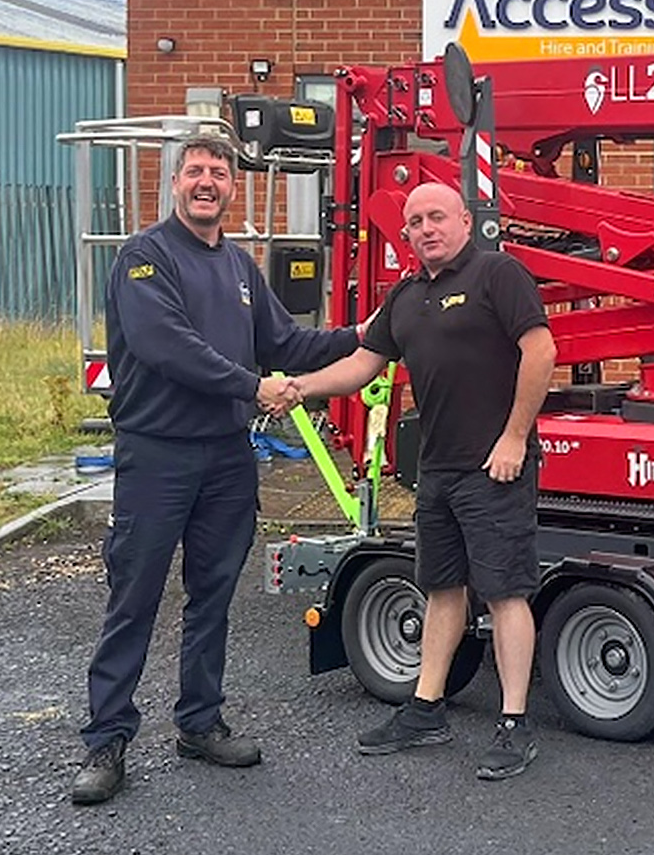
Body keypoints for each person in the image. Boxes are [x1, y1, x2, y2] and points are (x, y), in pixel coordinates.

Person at [71, 134, 362, 806]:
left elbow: (285, 341)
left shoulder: (238, 264)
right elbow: (167, 346)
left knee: (213, 596)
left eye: (219, 172)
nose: (208, 181)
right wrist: (252, 387)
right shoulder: (145, 259)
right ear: (174, 183)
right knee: (135, 597)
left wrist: (366, 332)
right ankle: (106, 738)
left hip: (228, 458)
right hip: (158, 455)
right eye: (196, 171)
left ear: (232, 186)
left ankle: (199, 723)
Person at [294, 180, 555, 781]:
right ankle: (426, 708)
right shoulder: (405, 297)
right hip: (436, 470)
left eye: (437, 216)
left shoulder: (498, 275)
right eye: (415, 222)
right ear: (406, 235)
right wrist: (300, 389)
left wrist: (514, 437)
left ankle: (515, 722)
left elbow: (541, 352)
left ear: (465, 220)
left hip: (494, 467)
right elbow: (363, 365)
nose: (426, 228)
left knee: (505, 592)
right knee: (441, 589)